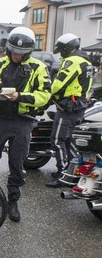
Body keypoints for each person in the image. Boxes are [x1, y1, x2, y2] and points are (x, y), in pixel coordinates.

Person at [0, 27, 51, 222]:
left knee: (16, 164)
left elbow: (45, 95)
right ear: (8, 49)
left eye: (21, 54)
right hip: (0, 120)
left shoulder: (38, 67)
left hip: (23, 122)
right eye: (14, 52)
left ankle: (13, 201)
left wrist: (20, 97)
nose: (17, 56)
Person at [45, 33, 93, 188]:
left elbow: (58, 84)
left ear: (67, 48)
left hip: (68, 108)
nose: (61, 54)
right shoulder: (86, 61)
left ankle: (62, 173)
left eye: (62, 50)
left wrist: (47, 93)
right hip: (78, 106)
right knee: (70, 140)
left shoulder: (73, 61)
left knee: (57, 140)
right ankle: (73, 171)